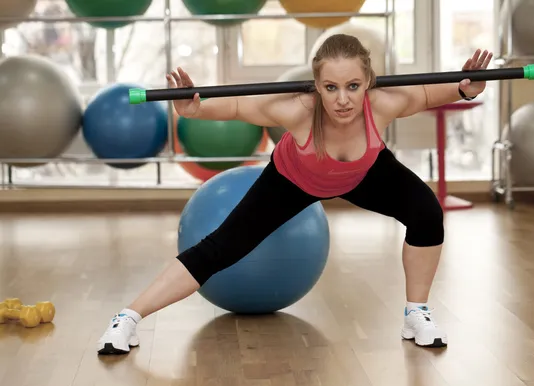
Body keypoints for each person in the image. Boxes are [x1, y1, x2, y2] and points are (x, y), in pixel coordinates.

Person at [97, 33, 493, 355]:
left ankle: (416, 312)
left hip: (363, 174)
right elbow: (236, 107)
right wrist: (193, 109)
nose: (342, 99)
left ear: (368, 82)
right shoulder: (299, 110)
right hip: (292, 179)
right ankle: (128, 318)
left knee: (426, 212)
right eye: (331, 87)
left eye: (353, 86)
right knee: (220, 248)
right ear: (316, 86)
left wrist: (467, 87)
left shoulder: (383, 104)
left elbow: (429, 94)